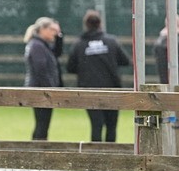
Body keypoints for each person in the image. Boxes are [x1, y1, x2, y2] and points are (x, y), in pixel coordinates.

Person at [66, 10, 131, 141]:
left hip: (89, 90)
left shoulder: (79, 44)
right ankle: (110, 154)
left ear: (86, 24)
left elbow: (70, 67)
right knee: (111, 125)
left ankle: (95, 155)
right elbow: (126, 61)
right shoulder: (112, 42)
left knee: (96, 125)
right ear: (100, 23)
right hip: (111, 89)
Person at [23, 16, 62, 140]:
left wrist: (60, 36)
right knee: (42, 124)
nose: (54, 33)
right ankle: (37, 151)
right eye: (51, 29)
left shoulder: (40, 44)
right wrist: (50, 91)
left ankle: (38, 150)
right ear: (43, 29)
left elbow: (57, 52)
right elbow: (41, 70)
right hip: (40, 90)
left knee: (43, 124)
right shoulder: (37, 46)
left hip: (41, 89)